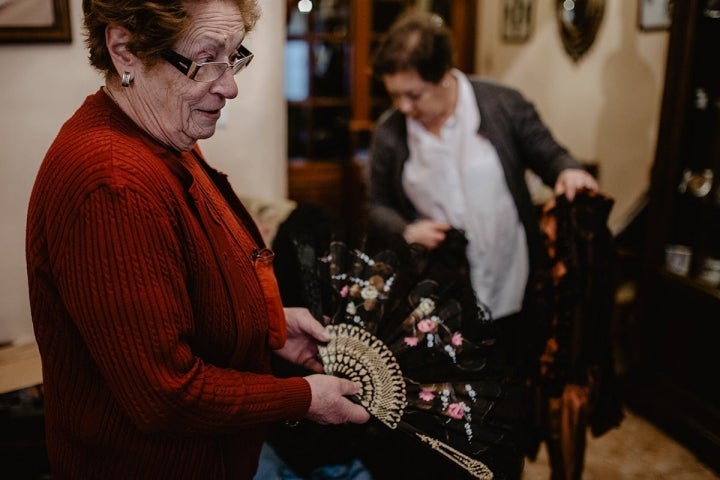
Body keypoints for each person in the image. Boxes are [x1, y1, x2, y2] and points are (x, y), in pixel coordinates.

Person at [25, 1, 369, 479]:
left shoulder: (163, 137)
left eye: (233, 57)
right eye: (205, 60)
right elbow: (166, 394)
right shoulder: (112, 183)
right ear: (124, 50)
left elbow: (184, 292)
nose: (229, 85)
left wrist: (266, 326)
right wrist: (304, 397)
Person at [365, 10, 599, 479]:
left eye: (414, 95)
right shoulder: (392, 131)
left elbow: (548, 152)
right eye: (395, 95)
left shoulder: (502, 104)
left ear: (446, 77)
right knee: (453, 407)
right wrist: (407, 230)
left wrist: (569, 170)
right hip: (443, 293)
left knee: (506, 403)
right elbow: (376, 205)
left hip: (512, 283)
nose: (404, 107)